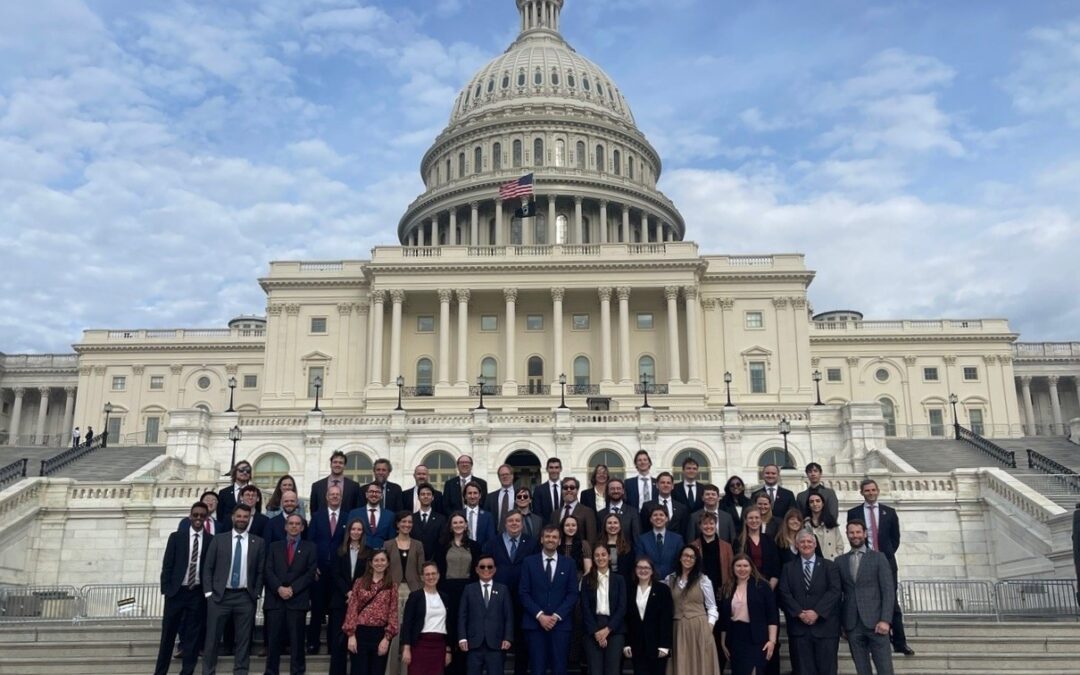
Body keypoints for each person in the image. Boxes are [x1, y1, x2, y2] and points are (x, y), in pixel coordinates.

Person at [846, 479, 913, 656]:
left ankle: (899, 642)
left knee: (892, 602)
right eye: (867, 490)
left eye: (873, 489)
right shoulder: (854, 512)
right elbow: (853, 535)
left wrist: (884, 555)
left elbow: (895, 538)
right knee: (865, 601)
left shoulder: (889, 512)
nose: (870, 492)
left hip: (885, 562)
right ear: (861, 492)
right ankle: (869, 640)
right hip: (863, 561)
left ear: (877, 491)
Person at [201, 503, 266, 675]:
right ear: (233, 517)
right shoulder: (218, 539)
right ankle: (208, 672)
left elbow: (260, 571)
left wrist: (256, 593)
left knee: (244, 640)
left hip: (245, 597)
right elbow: (207, 567)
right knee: (212, 639)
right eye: (239, 516)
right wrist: (209, 593)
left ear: (249, 519)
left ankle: (241, 672)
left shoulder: (258, 542)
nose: (242, 519)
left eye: (245, 517)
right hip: (219, 597)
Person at [154, 501, 212, 675]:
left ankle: (187, 672)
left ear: (206, 518)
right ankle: (160, 671)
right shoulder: (177, 537)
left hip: (197, 593)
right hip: (176, 592)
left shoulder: (211, 540)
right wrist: (166, 589)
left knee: (193, 637)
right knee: (168, 636)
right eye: (196, 515)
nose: (198, 518)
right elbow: (168, 565)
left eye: (202, 515)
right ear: (190, 516)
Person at [778, 529, 842, 675]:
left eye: (809, 541)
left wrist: (817, 612)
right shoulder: (788, 568)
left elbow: (835, 591)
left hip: (825, 629)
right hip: (799, 630)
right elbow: (784, 592)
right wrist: (800, 613)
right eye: (802, 541)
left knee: (827, 670)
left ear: (815, 544)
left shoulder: (829, 566)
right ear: (796, 545)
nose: (806, 544)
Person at [518, 525, 580, 675]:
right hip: (535, 624)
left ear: (559, 541)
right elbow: (523, 593)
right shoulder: (529, 562)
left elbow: (572, 593)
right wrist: (540, 615)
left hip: (560, 625)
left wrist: (556, 616)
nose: (550, 540)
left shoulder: (569, 563)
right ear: (541, 539)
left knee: (559, 668)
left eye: (554, 537)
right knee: (537, 669)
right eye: (547, 536)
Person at [837, 520, 895, 675]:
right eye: (851, 533)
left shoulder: (878, 558)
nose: (855, 536)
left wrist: (885, 620)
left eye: (858, 532)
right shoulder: (840, 561)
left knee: (885, 669)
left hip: (877, 622)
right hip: (852, 625)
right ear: (847, 534)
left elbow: (888, 591)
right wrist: (842, 624)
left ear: (865, 533)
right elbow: (839, 595)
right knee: (862, 670)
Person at [264, 513, 318, 675]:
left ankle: (298, 672)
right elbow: (268, 570)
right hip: (275, 600)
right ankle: (271, 672)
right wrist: (279, 588)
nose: (294, 526)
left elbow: (310, 573)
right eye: (291, 523)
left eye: (297, 524)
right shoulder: (274, 546)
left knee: (297, 642)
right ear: (285, 526)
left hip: (297, 600)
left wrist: (292, 589)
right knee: (273, 642)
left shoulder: (310, 547)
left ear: (302, 527)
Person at [434, 513, 481, 675]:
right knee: (449, 625)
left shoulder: (474, 546)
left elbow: (477, 571)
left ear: (466, 525)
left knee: (466, 626)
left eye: (461, 522)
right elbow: (439, 570)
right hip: (447, 591)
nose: (458, 525)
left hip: (468, 590)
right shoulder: (442, 545)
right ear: (450, 526)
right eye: (455, 522)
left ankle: (463, 665)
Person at [718, 554, 779, 675]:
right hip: (736, 637)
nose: (742, 569)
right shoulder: (727, 587)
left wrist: (772, 641)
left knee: (754, 671)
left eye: (745, 566)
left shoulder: (762, 586)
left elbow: (772, 616)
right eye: (738, 566)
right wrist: (723, 642)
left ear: (751, 567)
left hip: (757, 637)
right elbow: (724, 619)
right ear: (733, 568)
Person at [665, 545, 720, 675]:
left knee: (701, 665)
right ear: (680, 558)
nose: (688, 559)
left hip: (699, 627)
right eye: (685, 555)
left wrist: (709, 627)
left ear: (696, 560)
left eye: (692, 557)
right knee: (682, 663)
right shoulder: (670, 579)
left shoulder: (703, 580)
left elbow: (712, 607)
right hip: (678, 628)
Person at [343, 549, 399, 675]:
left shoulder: (391, 585)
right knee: (359, 670)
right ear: (371, 563)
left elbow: (393, 612)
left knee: (377, 671)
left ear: (388, 563)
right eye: (376, 560)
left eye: (383, 560)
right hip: (360, 632)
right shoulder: (360, 582)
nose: (379, 563)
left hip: (380, 634)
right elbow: (352, 608)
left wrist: (387, 638)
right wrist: (351, 635)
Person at [691, 511, 734, 673]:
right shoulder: (693, 546)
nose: (708, 527)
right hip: (700, 597)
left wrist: (726, 590)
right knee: (703, 634)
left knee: (719, 635)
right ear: (700, 526)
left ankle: (719, 669)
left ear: (715, 525)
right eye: (705, 524)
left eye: (711, 524)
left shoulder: (726, 546)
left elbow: (731, 571)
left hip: (721, 595)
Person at [457, 554, 514, 675]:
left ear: (495, 569)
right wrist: (462, 637)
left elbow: (508, 616)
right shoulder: (469, 589)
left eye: (490, 566)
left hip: (496, 644)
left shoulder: (503, 589)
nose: (486, 570)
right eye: (482, 567)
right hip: (474, 644)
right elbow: (462, 615)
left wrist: (508, 637)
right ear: (477, 569)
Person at [383, 511, 425, 675]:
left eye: (409, 522)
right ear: (397, 524)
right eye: (403, 522)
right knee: (393, 631)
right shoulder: (388, 545)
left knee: (410, 630)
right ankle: (391, 671)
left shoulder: (418, 545)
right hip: (392, 590)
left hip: (413, 591)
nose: (407, 525)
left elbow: (422, 571)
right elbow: (384, 569)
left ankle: (408, 671)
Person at [308, 484, 347, 655]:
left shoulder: (347, 517)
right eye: (332, 494)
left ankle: (334, 645)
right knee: (317, 609)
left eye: (337, 495)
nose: (334, 497)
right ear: (326, 497)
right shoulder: (317, 517)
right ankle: (313, 644)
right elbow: (310, 542)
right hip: (320, 571)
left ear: (341, 497)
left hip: (338, 572)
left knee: (336, 611)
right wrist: (313, 566)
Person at [329, 519, 369, 675]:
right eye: (353, 529)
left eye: (359, 530)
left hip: (361, 603)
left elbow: (368, 575)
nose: (356, 532)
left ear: (363, 532)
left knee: (357, 643)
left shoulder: (368, 552)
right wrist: (348, 592)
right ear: (349, 531)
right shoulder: (340, 551)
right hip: (341, 600)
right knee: (339, 643)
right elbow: (335, 574)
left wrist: (356, 593)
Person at [623, 556, 674, 675]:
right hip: (637, 645)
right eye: (639, 567)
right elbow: (626, 619)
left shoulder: (663, 590)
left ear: (652, 570)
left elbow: (666, 618)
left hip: (657, 646)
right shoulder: (629, 589)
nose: (643, 570)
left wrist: (665, 645)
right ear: (635, 570)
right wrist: (626, 643)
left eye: (646, 567)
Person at [581, 546, 627, 675]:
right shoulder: (587, 579)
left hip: (614, 629)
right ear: (593, 558)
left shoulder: (619, 580)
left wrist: (608, 629)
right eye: (597, 555)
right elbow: (584, 607)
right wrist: (596, 632)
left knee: (613, 671)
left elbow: (622, 607)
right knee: (595, 670)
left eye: (603, 554)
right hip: (592, 629)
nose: (600, 558)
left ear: (609, 556)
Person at [401, 562, 452, 674]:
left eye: (433, 573)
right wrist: (406, 648)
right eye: (427, 574)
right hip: (419, 645)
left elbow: (448, 624)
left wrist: (448, 650)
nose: (431, 577)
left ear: (438, 575)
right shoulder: (415, 597)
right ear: (422, 577)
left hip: (439, 646)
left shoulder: (445, 597)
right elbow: (407, 623)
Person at [736, 507, 781, 588]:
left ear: (761, 520)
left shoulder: (769, 540)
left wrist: (770, 587)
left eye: (757, 518)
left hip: (768, 585)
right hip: (746, 585)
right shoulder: (739, 542)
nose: (754, 521)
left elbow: (776, 566)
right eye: (750, 518)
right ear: (745, 521)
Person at [635, 505, 684, 579]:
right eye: (655, 515)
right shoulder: (642, 539)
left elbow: (680, 562)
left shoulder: (677, 539)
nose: (658, 517)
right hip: (649, 580)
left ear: (667, 519)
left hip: (672, 581)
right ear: (650, 519)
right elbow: (640, 561)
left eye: (661, 515)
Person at [348, 482, 396, 550]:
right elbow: (348, 536)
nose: (374, 494)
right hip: (359, 554)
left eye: (377, 492)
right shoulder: (354, 514)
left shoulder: (390, 516)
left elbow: (392, 540)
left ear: (382, 495)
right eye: (371, 491)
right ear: (366, 495)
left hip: (381, 555)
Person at [551, 477, 597, 543]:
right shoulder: (555, 514)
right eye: (565, 488)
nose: (569, 490)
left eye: (572, 487)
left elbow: (591, 538)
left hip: (580, 552)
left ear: (577, 490)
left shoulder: (588, 512)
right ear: (561, 490)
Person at [641, 472, 689, 536]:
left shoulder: (681, 508)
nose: (665, 485)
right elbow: (644, 529)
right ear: (657, 485)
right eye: (662, 482)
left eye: (668, 483)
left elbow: (684, 531)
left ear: (672, 486)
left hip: (675, 544)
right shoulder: (647, 506)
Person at [596, 478, 642, 545]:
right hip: (606, 553)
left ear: (623, 491)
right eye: (612, 489)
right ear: (608, 491)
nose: (616, 491)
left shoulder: (633, 512)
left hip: (627, 553)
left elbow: (637, 538)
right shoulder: (600, 514)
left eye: (618, 488)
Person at [598, 512, 636, 587]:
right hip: (603, 584)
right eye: (609, 523)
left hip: (624, 585)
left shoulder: (628, 546)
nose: (612, 526)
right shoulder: (599, 546)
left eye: (615, 523)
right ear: (605, 526)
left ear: (620, 526)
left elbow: (631, 571)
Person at [412, 482, 448, 559]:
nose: (426, 496)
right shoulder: (411, 518)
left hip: (435, 561)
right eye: (423, 494)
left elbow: (442, 542)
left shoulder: (441, 519)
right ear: (418, 497)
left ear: (432, 497)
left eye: (428, 494)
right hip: (414, 559)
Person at [805, 493, 845, 561]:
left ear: (823, 504)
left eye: (818, 501)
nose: (815, 504)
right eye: (811, 502)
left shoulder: (831, 523)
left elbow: (840, 545)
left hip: (831, 562)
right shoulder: (806, 525)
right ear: (808, 505)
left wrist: (836, 558)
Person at [216, 461, 253, 525]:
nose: (245, 472)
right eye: (241, 470)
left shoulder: (254, 493)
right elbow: (220, 515)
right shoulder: (224, 493)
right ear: (235, 472)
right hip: (227, 531)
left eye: (248, 470)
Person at [461, 482, 496, 547]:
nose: (472, 496)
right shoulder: (458, 515)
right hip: (462, 553)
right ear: (465, 496)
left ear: (479, 496)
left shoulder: (488, 516)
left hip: (481, 554)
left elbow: (491, 539)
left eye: (475, 493)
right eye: (469, 493)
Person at [484, 464, 518, 531]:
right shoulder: (490, 497)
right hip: (496, 536)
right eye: (502, 475)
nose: (504, 477)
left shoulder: (520, 496)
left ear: (512, 476)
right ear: (499, 477)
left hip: (515, 533)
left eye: (507, 474)